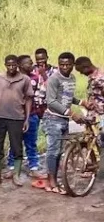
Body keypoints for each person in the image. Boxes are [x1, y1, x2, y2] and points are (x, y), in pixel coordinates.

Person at [0, 55, 33, 186]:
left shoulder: (25, 79)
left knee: (17, 147)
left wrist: (27, 118)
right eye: (9, 65)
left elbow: (29, 99)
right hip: (0, 116)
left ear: (17, 65)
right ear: (5, 65)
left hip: (17, 117)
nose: (11, 68)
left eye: (14, 65)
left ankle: (16, 175)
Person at [43, 52, 79, 194]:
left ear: (73, 65)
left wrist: (81, 102)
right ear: (58, 64)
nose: (64, 67)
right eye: (62, 64)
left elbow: (66, 95)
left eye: (68, 64)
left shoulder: (72, 78)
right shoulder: (53, 79)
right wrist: (71, 113)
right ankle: (51, 181)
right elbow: (51, 101)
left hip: (63, 119)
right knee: (53, 151)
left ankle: (55, 179)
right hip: (53, 119)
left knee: (59, 152)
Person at [7, 55, 44, 177]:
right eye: (29, 63)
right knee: (15, 142)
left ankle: (33, 167)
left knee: (31, 142)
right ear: (21, 65)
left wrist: (39, 113)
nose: (32, 64)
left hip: (32, 115)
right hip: (16, 116)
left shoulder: (36, 78)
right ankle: (12, 167)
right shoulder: (13, 78)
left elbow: (40, 96)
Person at [75, 57, 104, 126]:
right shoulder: (93, 78)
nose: (81, 73)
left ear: (86, 67)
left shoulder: (100, 78)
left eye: (81, 70)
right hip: (96, 117)